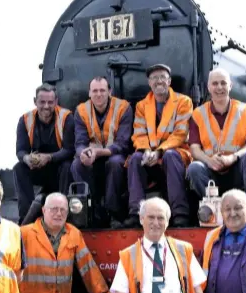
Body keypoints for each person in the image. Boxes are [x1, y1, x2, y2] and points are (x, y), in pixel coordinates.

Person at [188, 68, 246, 221]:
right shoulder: (198, 114)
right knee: (194, 168)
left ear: (231, 86)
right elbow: (194, 148)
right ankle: (216, 211)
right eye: (215, 84)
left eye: (223, 83)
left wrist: (233, 157)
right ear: (209, 87)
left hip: (237, 170)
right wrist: (209, 161)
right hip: (211, 173)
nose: (219, 87)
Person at [124, 64, 193, 228]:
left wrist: (160, 152)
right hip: (151, 156)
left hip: (176, 155)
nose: (158, 81)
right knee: (135, 159)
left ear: (169, 81)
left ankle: (180, 214)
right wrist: (147, 151)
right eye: (154, 78)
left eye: (162, 77)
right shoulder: (142, 106)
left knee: (170, 156)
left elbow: (180, 133)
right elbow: (139, 134)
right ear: (149, 83)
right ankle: (135, 212)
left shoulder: (184, 102)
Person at [71, 77, 133, 227]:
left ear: (109, 92)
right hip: (92, 157)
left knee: (115, 163)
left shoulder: (124, 108)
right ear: (89, 93)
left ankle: (113, 214)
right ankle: (90, 212)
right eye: (95, 91)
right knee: (77, 165)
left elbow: (123, 144)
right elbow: (79, 142)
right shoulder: (81, 111)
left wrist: (99, 152)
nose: (99, 94)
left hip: (114, 155)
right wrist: (83, 154)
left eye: (102, 90)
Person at [14, 83, 75, 224]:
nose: (46, 106)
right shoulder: (24, 120)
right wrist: (27, 158)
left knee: (67, 166)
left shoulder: (67, 118)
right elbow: (20, 150)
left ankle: (64, 213)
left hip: (59, 168)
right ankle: (27, 217)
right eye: (42, 102)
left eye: (50, 102)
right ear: (35, 101)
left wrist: (49, 157)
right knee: (19, 168)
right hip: (37, 169)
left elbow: (69, 150)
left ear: (56, 102)